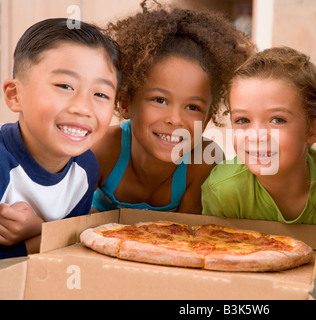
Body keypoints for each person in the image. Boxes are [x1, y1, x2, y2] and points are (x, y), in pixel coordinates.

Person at [91, 0, 254, 214]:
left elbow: (186, 238)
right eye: (160, 100)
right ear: (125, 103)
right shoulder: (103, 149)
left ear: (206, 121)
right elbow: (71, 223)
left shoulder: (202, 162)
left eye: (193, 107)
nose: (175, 119)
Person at [201, 47, 316, 253]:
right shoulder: (223, 191)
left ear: (314, 128)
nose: (256, 135)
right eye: (242, 120)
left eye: (277, 120)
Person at [0, 18, 121, 259]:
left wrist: (39, 229)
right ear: (15, 96)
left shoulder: (87, 169)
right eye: (65, 86)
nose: (83, 107)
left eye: (100, 93)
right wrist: (40, 240)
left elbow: (68, 249)